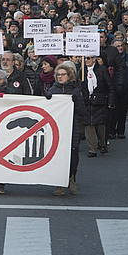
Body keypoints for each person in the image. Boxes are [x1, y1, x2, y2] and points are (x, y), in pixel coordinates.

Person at [48, 61, 85, 196]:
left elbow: (82, 112)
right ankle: (59, 184)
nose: (60, 77)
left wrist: (76, 100)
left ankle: (71, 177)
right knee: (58, 156)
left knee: (73, 155)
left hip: (73, 127)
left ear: (69, 76)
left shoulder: (76, 91)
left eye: (63, 74)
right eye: (58, 75)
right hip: (57, 129)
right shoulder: (52, 90)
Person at [80, 56, 115, 157]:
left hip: (100, 102)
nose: (86, 60)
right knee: (88, 124)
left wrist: (110, 101)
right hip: (86, 102)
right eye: (85, 58)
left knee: (100, 125)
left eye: (89, 58)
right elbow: (79, 86)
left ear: (94, 59)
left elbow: (110, 86)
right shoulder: (82, 71)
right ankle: (92, 149)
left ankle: (102, 143)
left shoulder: (102, 70)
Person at [111, 39, 128, 139]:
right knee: (112, 111)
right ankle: (111, 131)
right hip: (113, 88)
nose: (120, 48)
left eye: (121, 45)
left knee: (122, 111)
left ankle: (121, 131)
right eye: (117, 46)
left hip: (125, 88)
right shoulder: (110, 58)